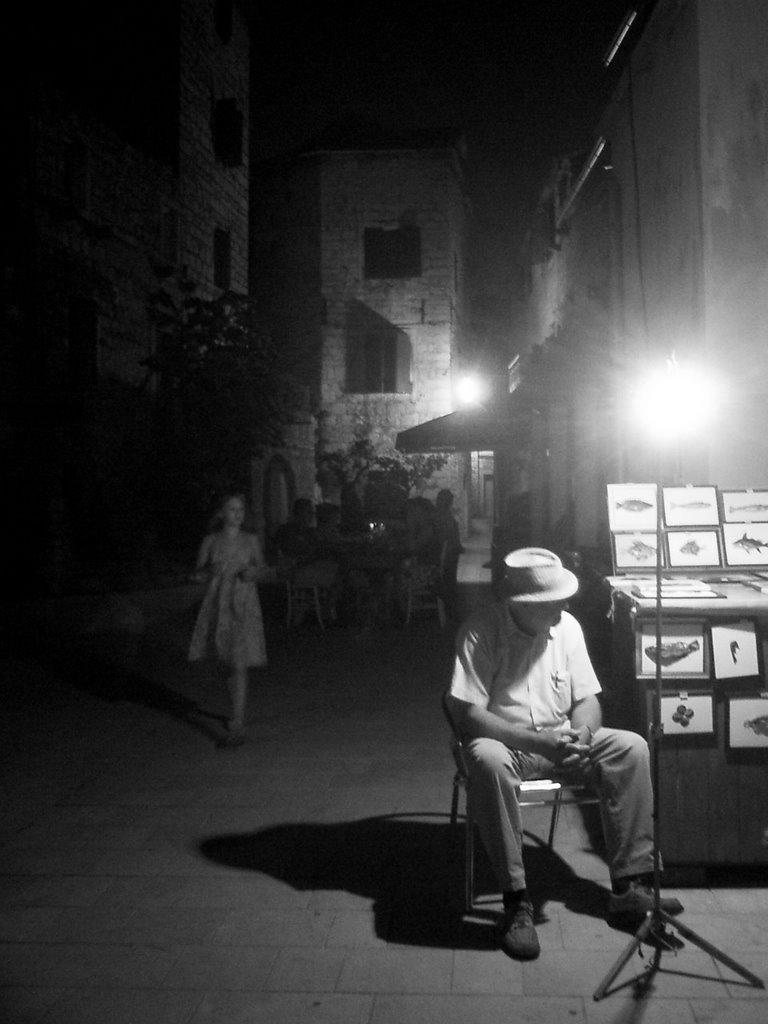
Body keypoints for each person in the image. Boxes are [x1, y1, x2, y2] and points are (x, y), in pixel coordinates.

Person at [445, 547, 684, 960]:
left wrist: (583, 737)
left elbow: (588, 697)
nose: (563, 607)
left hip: (563, 738)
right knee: (486, 759)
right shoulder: (481, 631)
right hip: (507, 742)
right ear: (523, 604)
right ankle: (516, 899)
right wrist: (537, 742)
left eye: (562, 600)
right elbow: (468, 716)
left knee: (631, 748)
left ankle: (630, 884)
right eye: (553, 602)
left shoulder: (567, 627)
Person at [188, 493, 267, 748]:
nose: (237, 513)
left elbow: (262, 568)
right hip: (219, 604)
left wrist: (252, 572)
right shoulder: (211, 541)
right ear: (221, 512)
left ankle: (237, 720)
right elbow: (198, 572)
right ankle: (235, 709)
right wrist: (205, 573)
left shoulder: (250, 540)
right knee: (226, 662)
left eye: (241, 509)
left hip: (243, 603)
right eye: (232, 509)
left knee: (239, 662)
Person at [434, 488, 463, 619]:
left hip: (446, 554)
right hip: (448, 554)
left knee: (449, 578)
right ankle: (450, 605)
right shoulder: (445, 517)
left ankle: (449, 603)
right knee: (450, 578)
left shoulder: (439, 516)